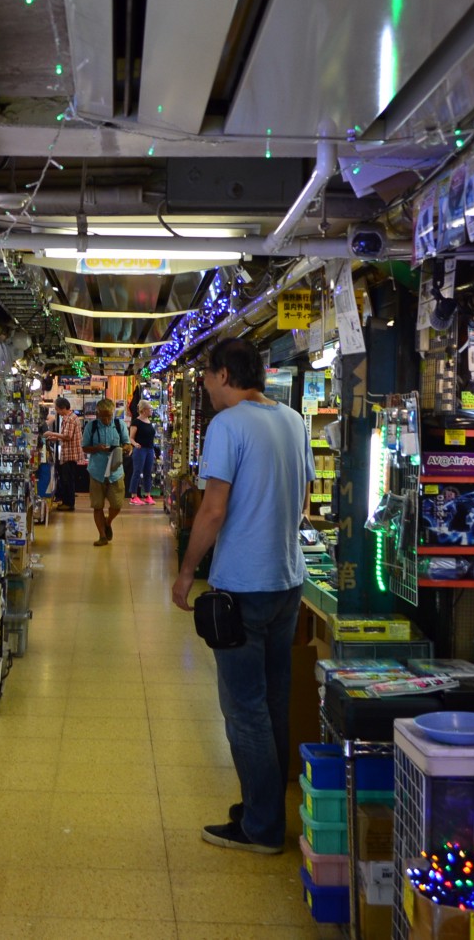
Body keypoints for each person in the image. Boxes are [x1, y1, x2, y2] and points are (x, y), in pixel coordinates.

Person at [169, 338, 315, 855]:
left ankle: (261, 827)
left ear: (225, 374)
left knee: (243, 709)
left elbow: (212, 510)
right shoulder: (294, 420)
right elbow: (303, 498)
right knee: (274, 700)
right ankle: (266, 808)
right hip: (287, 581)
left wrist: (187, 571)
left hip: (242, 588)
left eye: (208, 375)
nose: (205, 385)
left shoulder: (227, 426)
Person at [82, 398, 131, 546]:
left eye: (108, 415)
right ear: (97, 414)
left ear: (113, 413)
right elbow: (85, 447)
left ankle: (108, 522)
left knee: (117, 504)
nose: (106, 419)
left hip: (116, 471)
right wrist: (97, 448)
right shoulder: (91, 427)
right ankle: (102, 536)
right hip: (97, 471)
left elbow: (127, 443)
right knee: (97, 505)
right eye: (102, 416)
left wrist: (127, 449)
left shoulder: (119, 425)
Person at [45, 397, 82, 511]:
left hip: (70, 455)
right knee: (66, 479)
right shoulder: (70, 418)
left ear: (63, 408)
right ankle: (66, 501)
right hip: (68, 453)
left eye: (57, 409)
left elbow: (67, 436)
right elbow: (66, 437)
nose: (57, 412)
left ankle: (69, 503)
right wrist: (55, 438)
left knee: (68, 480)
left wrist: (52, 433)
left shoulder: (70, 419)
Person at [128, 401, 158, 505]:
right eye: (150, 409)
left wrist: (153, 450)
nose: (151, 410)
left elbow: (151, 438)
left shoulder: (149, 421)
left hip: (149, 450)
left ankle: (147, 495)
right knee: (137, 472)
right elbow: (131, 437)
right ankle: (133, 496)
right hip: (140, 450)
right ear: (144, 410)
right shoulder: (136, 422)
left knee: (148, 473)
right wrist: (135, 444)